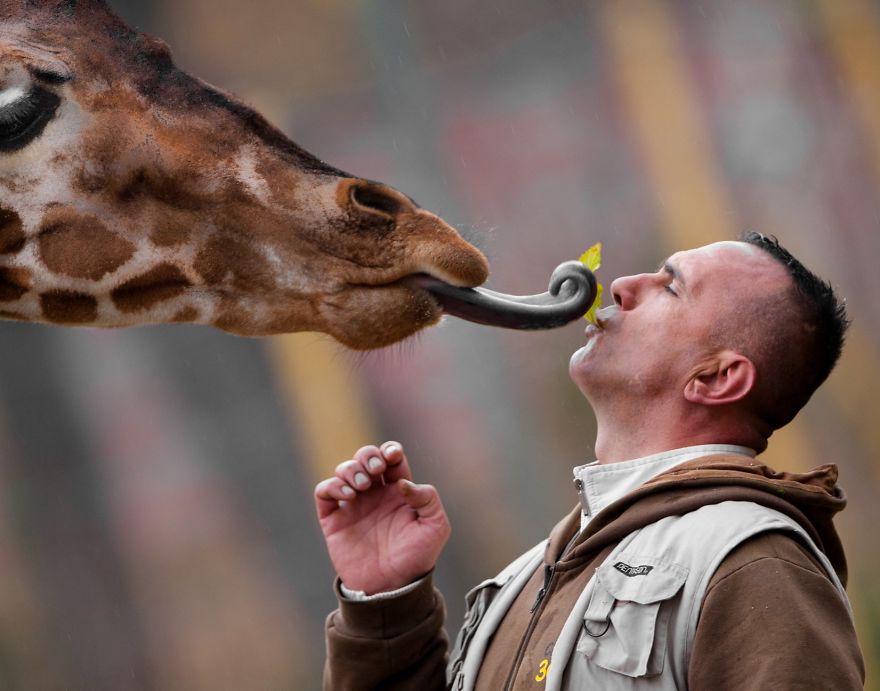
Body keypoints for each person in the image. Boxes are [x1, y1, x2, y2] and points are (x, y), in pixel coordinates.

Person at [314, 233, 865, 690]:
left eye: (670, 288)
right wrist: (387, 604)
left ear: (717, 378)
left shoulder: (753, 562)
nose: (622, 286)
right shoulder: (529, 575)